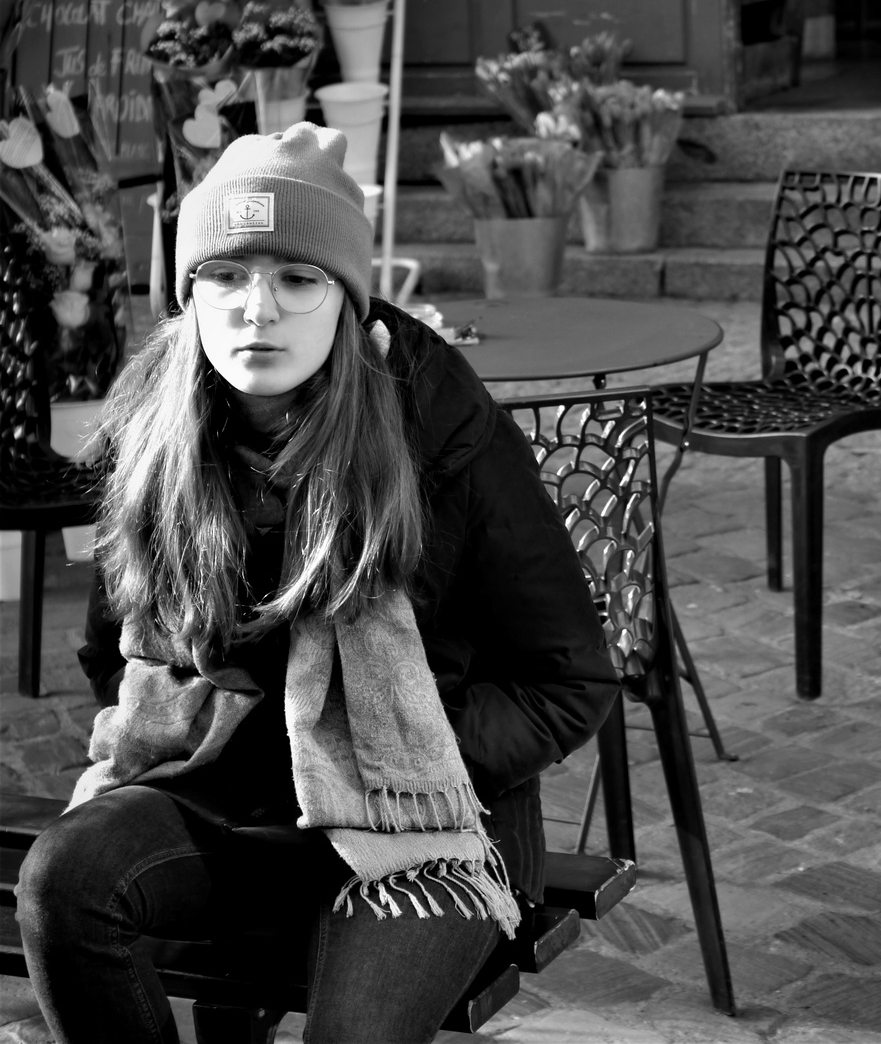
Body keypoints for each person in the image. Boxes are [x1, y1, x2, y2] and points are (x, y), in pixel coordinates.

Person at [14, 123, 621, 1044]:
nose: (259, 310)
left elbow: (566, 682)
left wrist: (376, 751)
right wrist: (210, 718)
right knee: (65, 882)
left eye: (297, 279)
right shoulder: (154, 436)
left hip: (427, 823)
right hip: (222, 795)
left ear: (346, 298)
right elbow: (117, 648)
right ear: (189, 295)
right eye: (226, 276)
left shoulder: (439, 428)